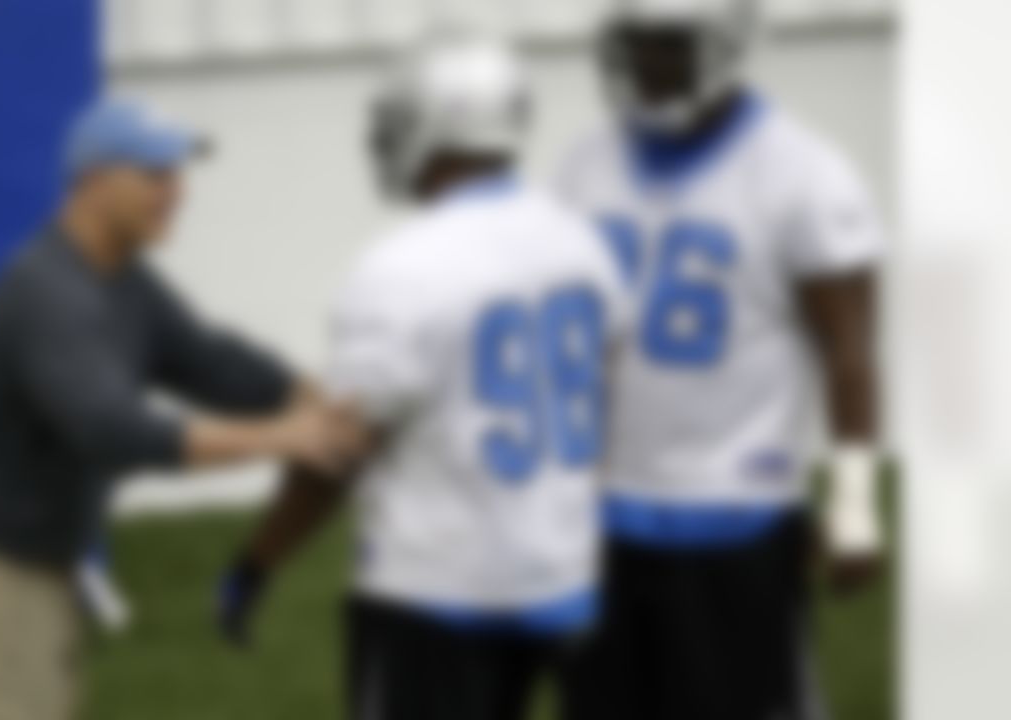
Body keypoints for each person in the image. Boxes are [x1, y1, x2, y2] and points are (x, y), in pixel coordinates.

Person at [0, 98, 358, 720]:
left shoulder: (123, 282)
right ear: (94, 181)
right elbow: (113, 430)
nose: (177, 191)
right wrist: (283, 437)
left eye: (179, 174)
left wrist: (320, 400)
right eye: (156, 175)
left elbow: (212, 361)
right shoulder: (46, 291)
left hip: (43, 582)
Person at [216, 35, 630, 720]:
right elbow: (610, 388)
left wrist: (256, 562)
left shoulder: (401, 268)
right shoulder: (580, 240)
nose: (386, 134)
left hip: (436, 591)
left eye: (399, 116)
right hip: (563, 574)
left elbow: (338, 452)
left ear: (438, 123)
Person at [555, 1, 888, 718]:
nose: (647, 65)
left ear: (727, 42)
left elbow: (850, 349)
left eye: (669, 45)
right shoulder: (584, 162)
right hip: (602, 519)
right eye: (634, 44)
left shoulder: (805, 174)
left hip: (736, 519)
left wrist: (855, 504)